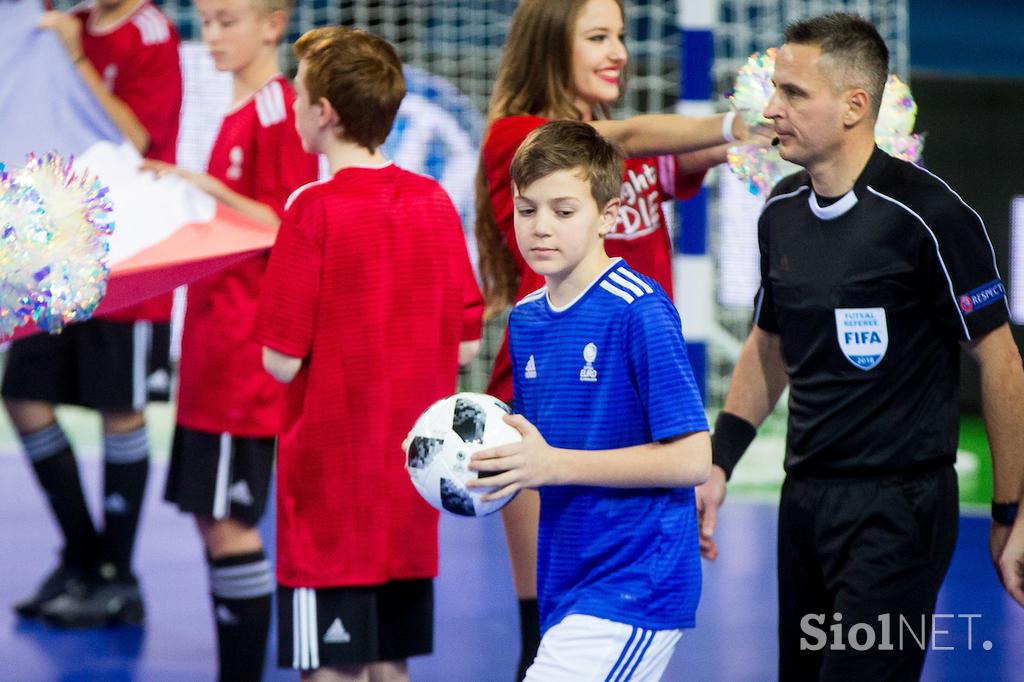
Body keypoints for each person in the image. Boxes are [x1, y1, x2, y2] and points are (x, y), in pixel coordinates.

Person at [694, 13, 1024, 680]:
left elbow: (1001, 362)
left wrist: (1011, 513)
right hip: (806, 504)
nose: (773, 108)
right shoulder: (782, 210)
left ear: (854, 106)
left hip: (898, 513)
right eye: (775, 90)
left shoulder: (930, 218)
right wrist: (719, 462)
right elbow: (768, 343)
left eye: (793, 93)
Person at [474, 1, 764, 672]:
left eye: (623, 37)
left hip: (635, 403)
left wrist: (778, 131)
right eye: (597, 37)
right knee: (544, 634)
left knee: (597, 634)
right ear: (550, 44)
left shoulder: (639, 289)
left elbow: (700, 155)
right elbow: (629, 140)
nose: (619, 53)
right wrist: (733, 121)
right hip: (547, 402)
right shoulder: (523, 138)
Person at [253, 26, 483, 681]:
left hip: (329, 496)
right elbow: (467, 341)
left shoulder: (311, 210)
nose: (294, 109)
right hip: (410, 487)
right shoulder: (435, 202)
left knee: (328, 667)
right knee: (391, 662)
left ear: (324, 114)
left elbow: (280, 361)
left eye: (300, 97)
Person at [469, 119, 711, 681]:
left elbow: (693, 457)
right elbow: (540, 451)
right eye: (527, 210)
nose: (540, 228)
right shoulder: (526, 319)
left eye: (564, 210)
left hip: (634, 583)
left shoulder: (639, 309)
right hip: (567, 579)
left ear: (608, 215)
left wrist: (553, 465)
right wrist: (478, 467)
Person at [148, 0, 318, 678]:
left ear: (273, 24)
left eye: (226, 20)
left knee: (228, 526)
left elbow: (292, 225)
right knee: (211, 520)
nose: (211, 35)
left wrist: (200, 189)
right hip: (212, 352)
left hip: (246, 360)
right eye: (204, 21)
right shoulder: (239, 113)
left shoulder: (280, 110)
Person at [4, 0, 182, 627]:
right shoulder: (62, 16)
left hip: (127, 254)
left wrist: (73, 55)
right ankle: (84, 555)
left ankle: (117, 573)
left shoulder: (148, 31)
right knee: (21, 394)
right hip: (56, 246)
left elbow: (135, 141)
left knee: (120, 407)